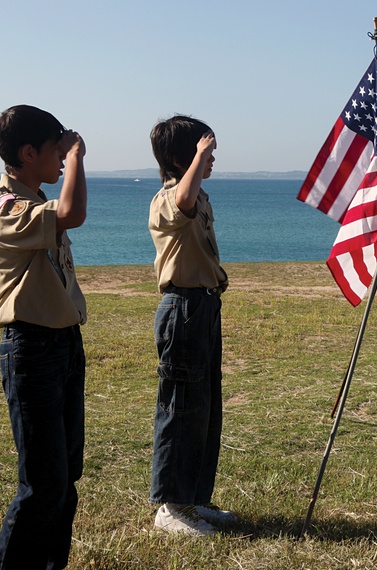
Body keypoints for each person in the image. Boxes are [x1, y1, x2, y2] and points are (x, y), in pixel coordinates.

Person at [0, 105, 102, 570]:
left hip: (61, 344)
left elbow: (62, 214)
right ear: (28, 154)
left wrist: (67, 155)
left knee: (64, 470)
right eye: (53, 150)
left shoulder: (34, 200)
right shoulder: (3, 208)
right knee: (42, 477)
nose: (60, 159)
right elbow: (72, 213)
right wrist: (76, 157)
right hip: (30, 348)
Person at [148, 115, 233, 535]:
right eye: (205, 152)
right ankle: (170, 505)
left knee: (204, 409)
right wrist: (199, 155)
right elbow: (181, 202)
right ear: (183, 158)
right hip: (181, 308)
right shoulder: (168, 198)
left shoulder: (199, 198)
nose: (212, 159)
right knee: (180, 408)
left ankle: (194, 499)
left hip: (202, 307)